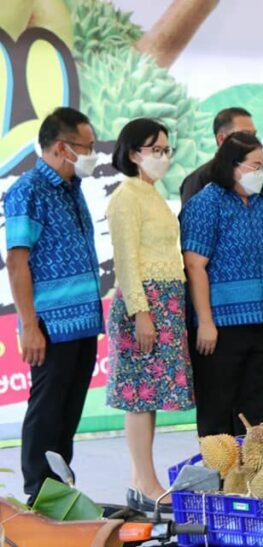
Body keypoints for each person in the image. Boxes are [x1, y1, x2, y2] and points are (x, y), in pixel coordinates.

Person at [4, 107, 103, 505]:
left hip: (82, 323)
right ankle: (38, 493)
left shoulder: (71, 188)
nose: (92, 154)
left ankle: (59, 489)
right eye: (88, 147)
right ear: (62, 147)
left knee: (67, 414)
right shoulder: (28, 190)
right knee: (46, 411)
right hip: (50, 325)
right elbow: (17, 260)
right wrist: (29, 324)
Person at [105, 118, 194, 511]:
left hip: (167, 303)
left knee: (151, 396)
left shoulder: (152, 194)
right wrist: (140, 312)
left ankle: (145, 479)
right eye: (154, 149)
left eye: (165, 149)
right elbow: (125, 261)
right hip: (145, 304)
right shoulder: (126, 196)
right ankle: (144, 481)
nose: (162, 156)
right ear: (133, 153)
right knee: (139, 396)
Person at [180, 132, 263, 436]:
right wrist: (205, 322)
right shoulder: (206, 203)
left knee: (255, 405)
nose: (260, 173)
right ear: (232, 165)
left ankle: (251, 475)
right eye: (254, 166)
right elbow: (194, 264)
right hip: (221, 326)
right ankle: (217, 476)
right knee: (217, 404)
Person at [179, 107, 257, 205]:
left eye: (254, 135)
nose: (253, 141)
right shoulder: (198, 180)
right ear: (221, 139)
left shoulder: (253, 177)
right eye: (245, 135)